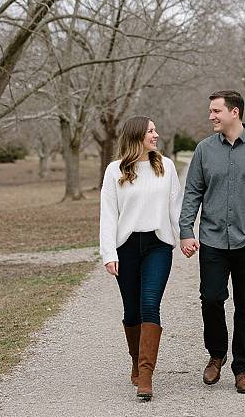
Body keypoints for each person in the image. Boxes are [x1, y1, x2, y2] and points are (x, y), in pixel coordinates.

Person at [179, 90, 245, 394]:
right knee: (211, 298)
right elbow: (193, 193)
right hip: (212, 239)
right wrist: (187, 229)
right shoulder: (204, 150)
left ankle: (242, 369)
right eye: (210, 111)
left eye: (215, 111)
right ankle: (216, 355)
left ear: (234, 112)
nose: (210, 116)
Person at [99, 116, 182, 401]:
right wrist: (109, 253)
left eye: (156, 129)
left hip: (158, 245)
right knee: (131, 311)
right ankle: (135, 360)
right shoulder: (114, 171)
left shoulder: (166, 166)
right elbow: (108, 215)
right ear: (137, 136)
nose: (156, 134)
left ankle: (146, 375)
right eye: (150, 131)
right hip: (126, 247)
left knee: (150, 304)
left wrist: (185, 235)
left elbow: (176, 207)